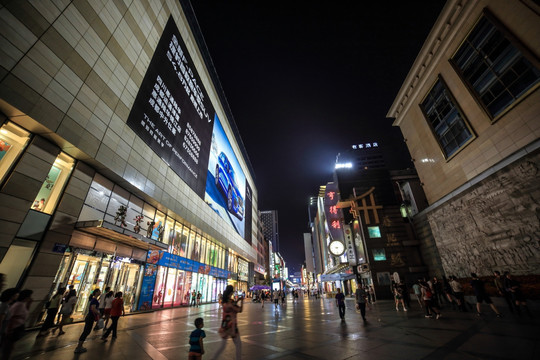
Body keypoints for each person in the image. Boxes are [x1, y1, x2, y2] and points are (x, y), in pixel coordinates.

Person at [212, 285, 242, 360]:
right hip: (232, 326)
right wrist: (242, 301)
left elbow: (231, 306)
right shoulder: (230, 302)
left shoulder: (224, 301)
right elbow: (239, 310)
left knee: (222, 346)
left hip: (225, 325)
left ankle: (213, 358)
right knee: (238, 345)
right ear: (231, 292)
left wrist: (237, 301)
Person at [2, 289, 33, 359]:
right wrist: (9, 330)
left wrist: (28, 305)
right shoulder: (18, 305)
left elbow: (25, 314)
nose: (30, 298)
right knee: (7, 349)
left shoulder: (22, 305)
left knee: (9, 348)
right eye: (29, 296)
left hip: (15, 328)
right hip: (12, 329)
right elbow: (10, 318)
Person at [74, 289, 101, 353]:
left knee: (87, 331)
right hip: (90, 317)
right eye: (99, 291)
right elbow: (93, 309)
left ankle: (80, 346)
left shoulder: (94, 299)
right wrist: (99, 313)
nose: (100, 292)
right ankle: (78, 347)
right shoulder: (94, 300)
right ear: (96, 292)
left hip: (90, 317)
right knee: (86, 331)